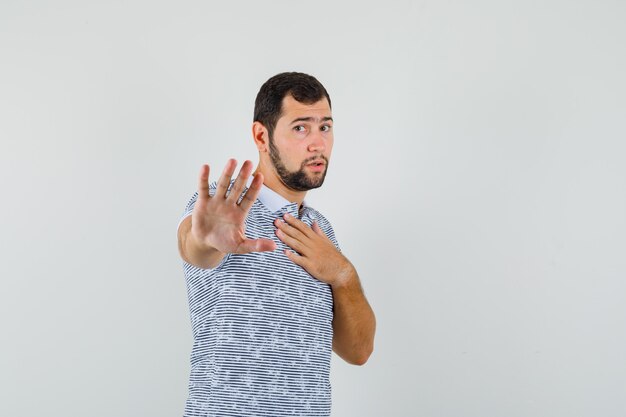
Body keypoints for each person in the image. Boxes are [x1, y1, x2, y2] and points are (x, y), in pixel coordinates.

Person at [176, 72, 376, 416]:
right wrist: (203, 238)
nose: (318, 144)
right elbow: (194, 247)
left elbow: (358, 351)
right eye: (301, 128)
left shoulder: (321, 230)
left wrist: (343, 274)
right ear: (261, 136)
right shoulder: (222, 208)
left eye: (324, 127)